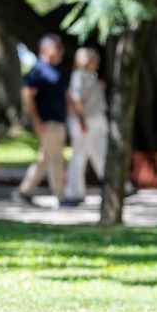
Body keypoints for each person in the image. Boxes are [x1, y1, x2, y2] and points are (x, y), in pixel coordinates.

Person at [14, 34, 68, 206]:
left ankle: (24, 191)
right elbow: (27, 94)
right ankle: (59, 195)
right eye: (57, 47)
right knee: (56, 158)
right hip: (47, 121)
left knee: (45, 158)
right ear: (45, 49)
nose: (61, 51)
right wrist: (36, 120)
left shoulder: (57, 70)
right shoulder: (38, 71)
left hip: (58, 121)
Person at [62, 48, 107, 207]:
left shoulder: (92, 77)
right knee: (79, 155)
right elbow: (75, 99)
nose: (97, 62)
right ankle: (74, 193)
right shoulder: (78, 76)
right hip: (84, 122)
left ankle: (115, 186)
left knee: (100, 153)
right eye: (93, 58)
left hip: (97, 120)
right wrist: (81, 121)